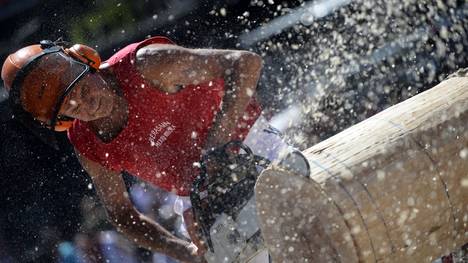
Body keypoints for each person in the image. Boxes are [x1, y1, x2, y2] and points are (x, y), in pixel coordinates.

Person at [1, 36, 309, 262]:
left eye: (80, 88)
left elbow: (244, 63)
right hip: (196, 191)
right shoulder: (87, 144)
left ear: (85, 61)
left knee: (300, 214)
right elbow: (122, 215)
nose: (85, 103)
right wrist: (183, 251)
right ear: (61, 121)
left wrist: (218, 143)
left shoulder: (146, 65)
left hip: (246, 141)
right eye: (71, 107)